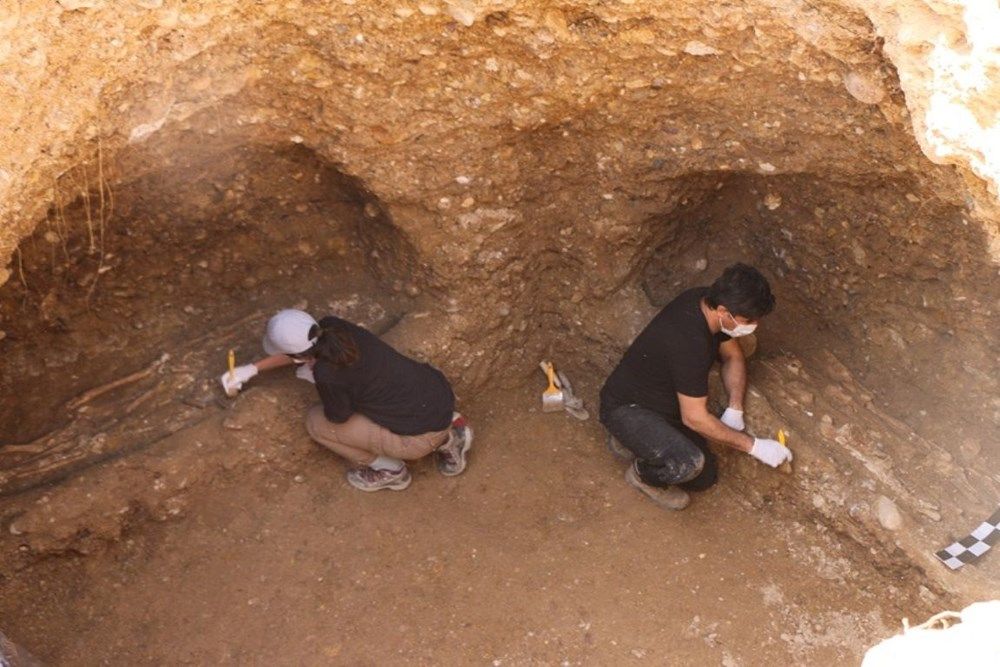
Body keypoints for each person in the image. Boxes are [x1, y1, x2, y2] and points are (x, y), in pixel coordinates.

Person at [599, 263, 791, 510]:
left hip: (663, 404)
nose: (754, 325)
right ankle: (641, 473)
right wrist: (755, 447)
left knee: (705, 478)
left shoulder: (704, 301)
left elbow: (733, 356)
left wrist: (735, 408)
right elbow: (694, 418)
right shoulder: (689, 345)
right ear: (724, 311)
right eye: (748, 320)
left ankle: (640, 442)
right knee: (688, 463)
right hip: (626, 408)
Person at [220, 309, 472, 492]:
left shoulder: (327, 374)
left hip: (418, 440)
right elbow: (305, 351)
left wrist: (319, 380)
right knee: (390, 400)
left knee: (317, 424)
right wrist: (252, 368)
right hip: (440, 398)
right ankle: (452, 436)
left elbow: (338, 416)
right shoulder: (332, 327)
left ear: (299, 355)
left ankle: (391, 470)